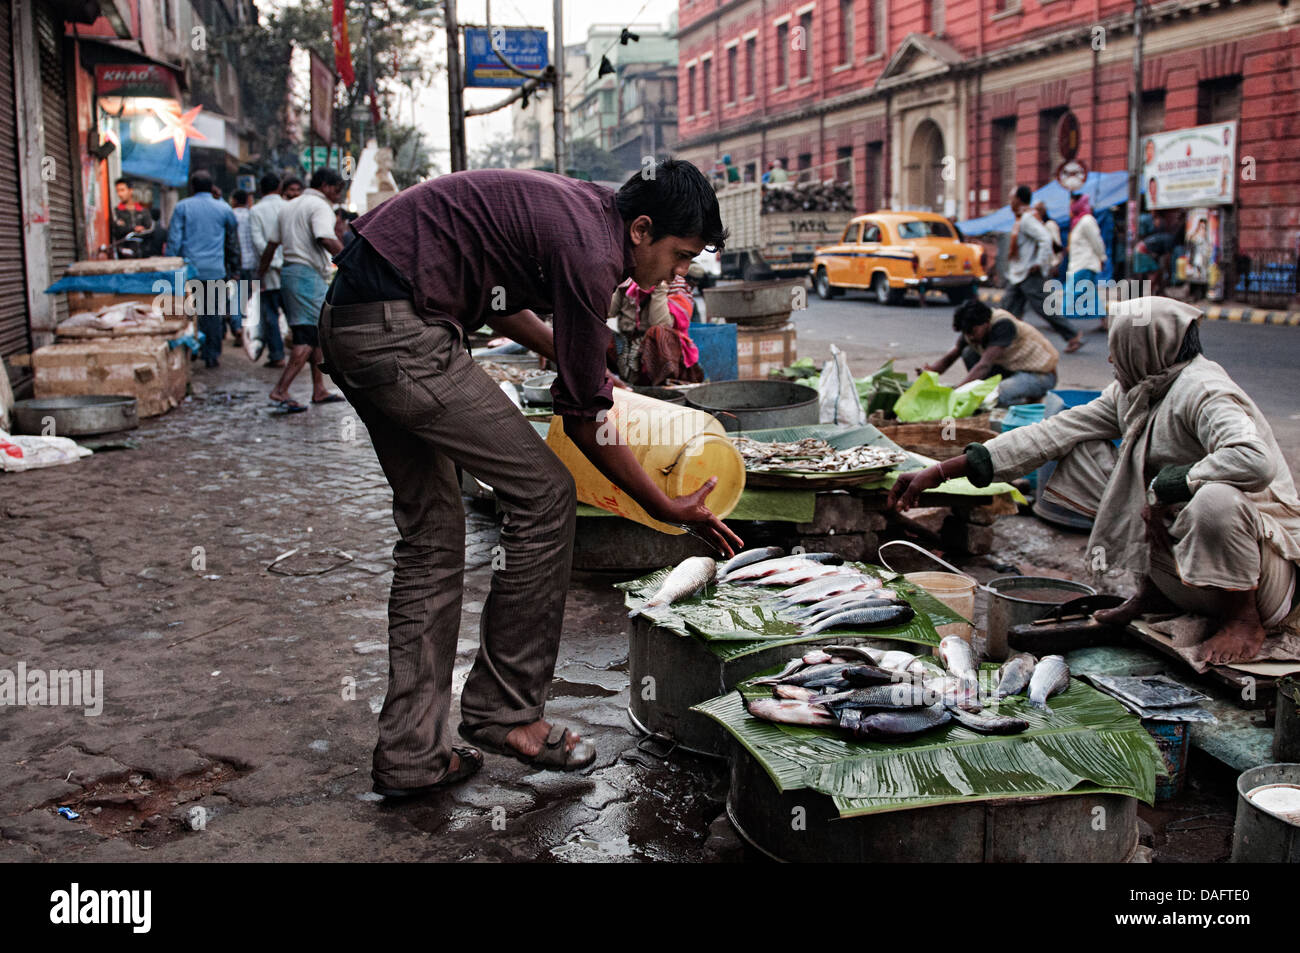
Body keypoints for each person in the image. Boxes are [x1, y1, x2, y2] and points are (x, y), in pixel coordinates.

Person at [317, 160, 741, 796]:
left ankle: (411, 754)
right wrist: (666, 506)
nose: (679, 275)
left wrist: (566, 348)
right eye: (679, 257)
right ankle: (505, 712)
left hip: (359, 321)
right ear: (642, 229)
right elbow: (582, 421)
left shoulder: (593, 212)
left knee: (433, 534)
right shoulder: (591, 247)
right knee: (545, 494)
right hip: (401, 334)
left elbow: (496, 299)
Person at [891, 297, 1300, 666]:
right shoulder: (1138, 390)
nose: (1109, 359)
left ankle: (1242, 619)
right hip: (1188, 558)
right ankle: (1151, 592)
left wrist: (1167, 487)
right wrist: (940, 472)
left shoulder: (1205, 391)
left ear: (1144, 347)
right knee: (1083, 450)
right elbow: (1050, 433)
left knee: (1214, 499)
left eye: (1116, 347)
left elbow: (1254, 460)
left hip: (1263, 577)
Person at [256, 167, 346, 411]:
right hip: (307, 274)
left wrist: (260, 274)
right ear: (326, 186)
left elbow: (270, 246)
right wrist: (353, 260)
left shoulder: (289, 206)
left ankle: (319, 389)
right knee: (306, 335)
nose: (339, 194)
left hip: (291, 273)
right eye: (337, 189)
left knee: (314, 333)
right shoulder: (319, 207)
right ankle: (281, 389)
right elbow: (325, 237)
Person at [921, 299, 1059, 406]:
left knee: (993, 397)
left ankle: (1026, 403)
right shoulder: (971, 329)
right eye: (966, 333)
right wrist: (931, 371)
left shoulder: (1003, 324)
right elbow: (952, 355)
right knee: (969, 352)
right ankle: (1010, 394)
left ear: (986, 323)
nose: (970, 337)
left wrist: (957, 392)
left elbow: (984, 365)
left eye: (973, 332)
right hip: (1012, 369)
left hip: (1039, 375)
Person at [166, 170, 238, 368]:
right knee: (212, 313)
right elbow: (232, 241)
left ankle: (192, 351)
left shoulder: (182, 207)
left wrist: (170, 265)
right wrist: (234, 267)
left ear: (192, 187)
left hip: (189, 270)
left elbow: (174, 240)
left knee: (188, 312)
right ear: (211, 187)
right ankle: (212, 355)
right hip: (215, 270)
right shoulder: (224, 209)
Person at [1002, 185, 1083, 353]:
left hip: (1029, 273)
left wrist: (1038, 262)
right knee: (1008, 309)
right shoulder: (1022, 218)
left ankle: (1072, 335)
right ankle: (1007, 342)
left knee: (1043, 308)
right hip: (1019, 273)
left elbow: (1045, 239)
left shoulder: (1026, 219)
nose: (1010, 202)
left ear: (1018, 200)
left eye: (1011, 198)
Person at [607, 277, 704, 386]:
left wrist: (659, 289)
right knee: (598, 331)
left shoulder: (677, 287)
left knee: (658, 332)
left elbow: (660, 323)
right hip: (627, 347)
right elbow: (606, 311)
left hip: (659, 351)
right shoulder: (628, 284)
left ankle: (659, 386)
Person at [248, 174, 288, 367]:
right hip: (289, 268)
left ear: (261, 189)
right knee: (294, 314)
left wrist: (272, 263)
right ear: (280, 187)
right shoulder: (288, 206)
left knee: (270, 313)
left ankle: (277, 354)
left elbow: (258, 243)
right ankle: (304, 351)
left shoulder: (255, 211)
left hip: (269, 270)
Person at [1065, 192, 1107, 321]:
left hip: (1085, 265)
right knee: (1087, 298)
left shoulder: (1087, 220)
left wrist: (1102, 257)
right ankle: (1104, 321)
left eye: (1072, 203)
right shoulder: (1077, 222)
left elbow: (1097, 241)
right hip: (1077, 265)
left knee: (1072, 301)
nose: (1070, 207)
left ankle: (1071, 332)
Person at [229, 189, 258, 349]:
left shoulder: (230, 214)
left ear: (234, 200)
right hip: (252, 262)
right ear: (247, 200)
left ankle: (237, 327)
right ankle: (249, 327)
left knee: (236, 296)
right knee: (250, 297)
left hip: (236, 263)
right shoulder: (252, 215)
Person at [110, 178, 153, 257]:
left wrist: (142, 230)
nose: (119, 194)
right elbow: (117, 230)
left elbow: (149, 228)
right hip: (124, 254)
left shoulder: (143, 211)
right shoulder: (116, 212)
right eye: (118, 191)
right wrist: (134, 229)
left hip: (143, 254)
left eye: (122, 190)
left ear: (130, 190)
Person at [1034, 201, 1063, 277]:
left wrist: (1055, 264)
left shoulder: (1050, 224)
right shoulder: (1037, 226)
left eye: (1038, 210)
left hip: (1050, 265)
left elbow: (1058, 247)